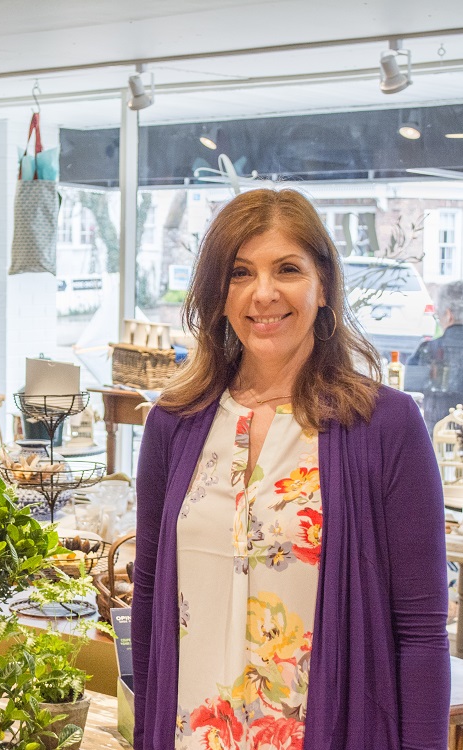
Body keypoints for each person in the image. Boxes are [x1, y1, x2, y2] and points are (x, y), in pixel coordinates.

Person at [132, 188, 448, 750]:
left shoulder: (386, 427)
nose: (264, 293)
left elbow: (420, 636)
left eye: (288, 269)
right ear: (218, 294)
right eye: (240, 272)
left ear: (322, 286)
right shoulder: (173, 426)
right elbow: (151, 601)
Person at [408, 280, 463, 433]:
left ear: (448, 315)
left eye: (437, 316)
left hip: (436, 440)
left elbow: (409, 396)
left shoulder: (427, 351)